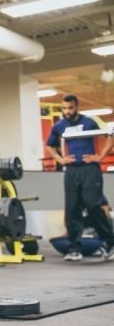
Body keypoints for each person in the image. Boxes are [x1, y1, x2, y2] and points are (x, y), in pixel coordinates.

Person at [45, 95, 114, 262]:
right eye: (64, 108)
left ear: (76, 107)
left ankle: (110, 242)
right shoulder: (59, 126)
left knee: (93, 204)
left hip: (90, 169)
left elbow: (110, 136)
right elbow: (49, 145)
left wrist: (100, 157)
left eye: (70, 108)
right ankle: (74, 248)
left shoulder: (90, 121)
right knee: (72, 208)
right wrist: (60, 160)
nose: (67, 111)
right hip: (71, 170)